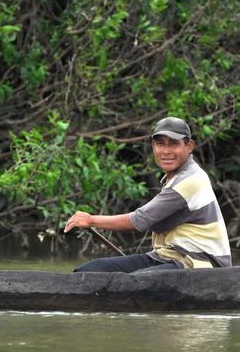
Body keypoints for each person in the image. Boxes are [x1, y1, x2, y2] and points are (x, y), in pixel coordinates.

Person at [64, 117, 231, 273]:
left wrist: (91, 220)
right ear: (153, 147)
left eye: (174, 144)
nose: (166, 151)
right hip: (167, 258)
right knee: (91, 270)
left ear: (189, 146)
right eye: (160, 144)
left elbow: (139, 220)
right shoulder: (174, 178)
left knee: (137, 282)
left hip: (199, 265)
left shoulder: (190, 180)